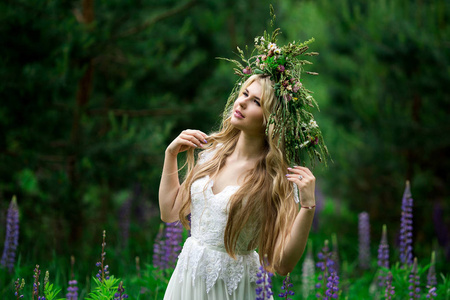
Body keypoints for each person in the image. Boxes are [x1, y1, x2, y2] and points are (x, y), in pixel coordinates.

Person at [159, 13, 328, 300]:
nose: (241, 103)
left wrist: (308, 208)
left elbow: (282, 264)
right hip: (187, 281)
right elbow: (169, 213)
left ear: (271, 119)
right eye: (244, 93)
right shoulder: (210, 153)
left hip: (235, 289)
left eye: (256, 102)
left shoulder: (272, 177)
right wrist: (170, 154)